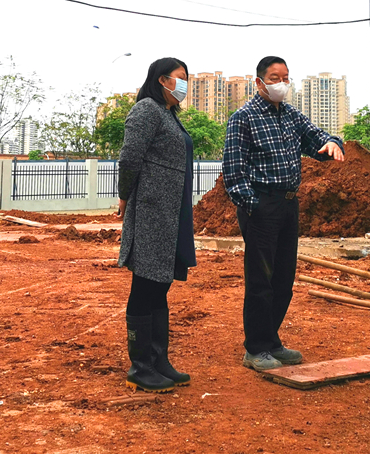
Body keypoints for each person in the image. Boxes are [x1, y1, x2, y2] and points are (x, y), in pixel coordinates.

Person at [223, 55, 345, 371]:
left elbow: (318, 139)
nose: (282, 83)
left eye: (286, 77)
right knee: (261, 279)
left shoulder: (291, 116)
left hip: (289, 204)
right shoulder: (243, 118)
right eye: (275, 78)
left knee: (283, 279)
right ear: (259, 82)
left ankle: (271, 341)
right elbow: (233, 171)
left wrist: (333, 143)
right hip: (261, 205)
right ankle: (255, 349)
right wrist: (253, 206)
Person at [116, 57, 197, 392]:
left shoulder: (168, 114)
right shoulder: (147, 110)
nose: (185, 84)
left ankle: (158, 360)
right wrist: (124, 195)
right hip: (151, 211)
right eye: (180, 77)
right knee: (145, 285)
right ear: (162, 80)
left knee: (160, 285)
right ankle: (140, 366)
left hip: (170, 212)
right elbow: (129, 157)